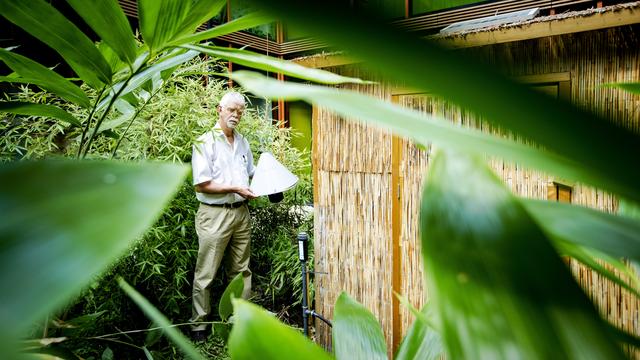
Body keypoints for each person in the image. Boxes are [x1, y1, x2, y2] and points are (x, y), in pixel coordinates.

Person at [189, 91, 256, 341]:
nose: (236, 115)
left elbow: (251, 172)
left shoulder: (243, 142)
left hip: (241, 213)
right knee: (206, 272)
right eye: (232, 110)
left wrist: (272, 176)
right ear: (219, 109)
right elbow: (201, 184)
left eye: (240, 112)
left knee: (241, 272)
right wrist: (235, 188)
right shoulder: (204, 142)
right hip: (214, 215)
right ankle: (199, 327)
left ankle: (238, 323)